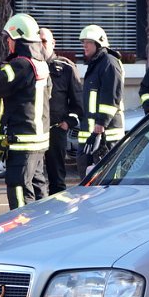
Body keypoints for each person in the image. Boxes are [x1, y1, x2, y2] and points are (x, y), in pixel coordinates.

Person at [0, 14, 51, 210]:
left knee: (19, 188)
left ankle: (24, 231)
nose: (7, 42)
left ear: (18, 39)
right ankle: (42, 229)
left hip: (22, 141)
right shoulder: (41, 65)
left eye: (10, 39)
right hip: (38, 142)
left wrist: (1, 65)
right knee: (38, 188)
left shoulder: (20, 65)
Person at [76, 24, 124, 178]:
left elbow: (111, 96)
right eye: (83, 42)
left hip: (105, 137)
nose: (85, 45)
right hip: (92, 135)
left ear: (99, 43)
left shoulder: (109, 63)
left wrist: (100, 124)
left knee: (107, 180)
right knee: (87, 179)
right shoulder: (96, 64)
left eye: (88, 42)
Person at [39, 27, 83, 194]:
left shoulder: (65, 68)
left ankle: (57, 216)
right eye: (38, 41)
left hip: (55, 130)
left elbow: (78, 102)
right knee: (34, 179)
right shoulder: (28, 66)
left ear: (53, 43)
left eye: (44, 41)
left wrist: (67, 123)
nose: (41, 45)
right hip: (34, 131)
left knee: (56, 178)